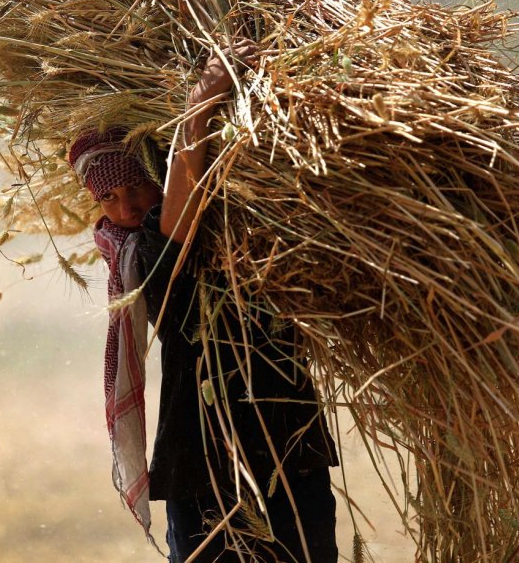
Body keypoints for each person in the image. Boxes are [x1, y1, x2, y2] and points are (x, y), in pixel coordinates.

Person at [70, 40, 338, 563]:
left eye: (136, 188)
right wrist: (199, 106)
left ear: (156, 176)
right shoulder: (137, 253)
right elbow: (179, 223)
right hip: (205, 464)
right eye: (108, 198)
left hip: (289, 440)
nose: (123, 208)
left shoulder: (245, 220)